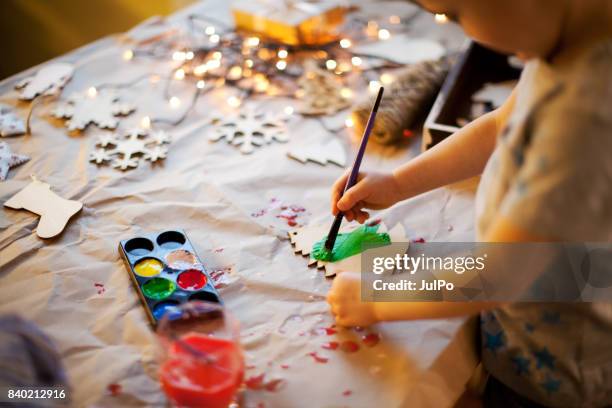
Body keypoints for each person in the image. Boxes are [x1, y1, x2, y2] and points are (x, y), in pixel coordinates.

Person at [326, 0, 612, 406]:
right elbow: (500, 125)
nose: (466, 34)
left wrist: (374, 299)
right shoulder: (567, 42)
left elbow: (500, 275)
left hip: (559, 369)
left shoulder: (582, 115)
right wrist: (398, 183)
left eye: (454, 14)